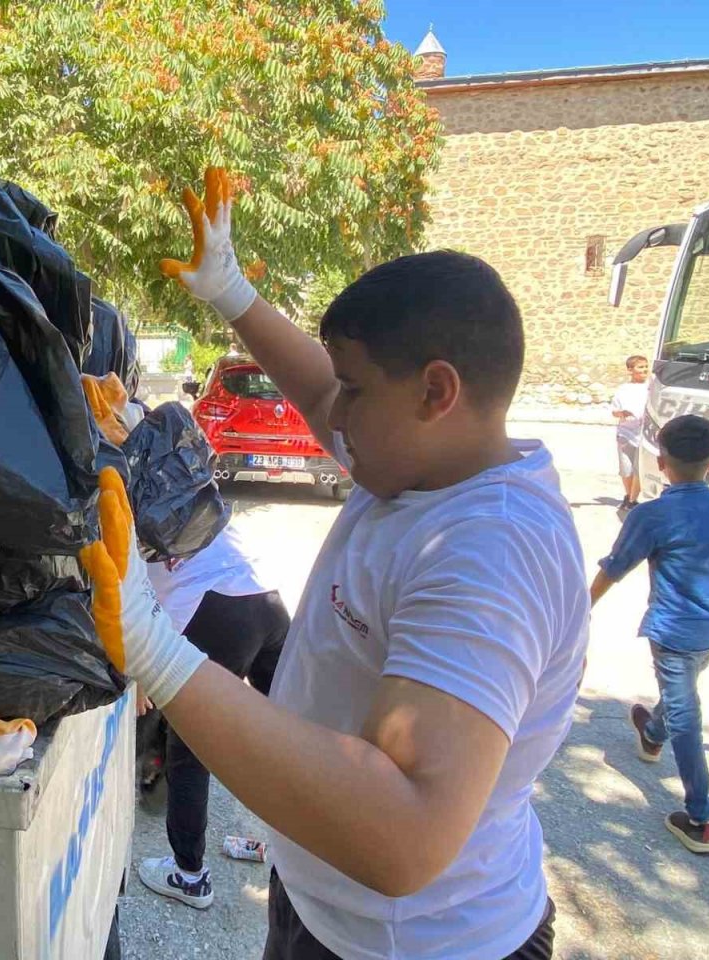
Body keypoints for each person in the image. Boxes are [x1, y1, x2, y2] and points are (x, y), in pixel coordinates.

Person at [79, 168, 588, 960]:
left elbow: (404, 837)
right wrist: (233, 293)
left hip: (417, 945)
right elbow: (319, 394)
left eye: (356, 390)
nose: (334, 417)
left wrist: (155, 648)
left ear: (436, 392)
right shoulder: (423, 462)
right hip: (327, 907)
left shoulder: (489, 550)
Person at [590, 414, 709, 856]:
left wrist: (580, 608)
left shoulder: (652, 515)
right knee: (681, 694)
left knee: (686, 713)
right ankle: (653, 732)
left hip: (674, 632)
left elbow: (615, 567)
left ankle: (698, 819)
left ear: (660, 461)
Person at [136, 523, 290, 909]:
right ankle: (319, 857)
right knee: (292, 734)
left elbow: (130, 607)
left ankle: (189, 876)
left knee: (188, 749)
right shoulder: (185, 479)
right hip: (267, 599)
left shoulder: (123, 505)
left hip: (216, 610)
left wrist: (140, 675)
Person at [611, 355, 649, 511]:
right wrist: (622, 413)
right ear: (630, 370)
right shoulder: (623, 390)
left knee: (640, 469)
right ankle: (628, 497)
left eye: (646, 366)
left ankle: (633, 500)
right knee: (626, 469)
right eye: (640, 367)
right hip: (625, 433)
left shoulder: (652, 388)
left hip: (646, 434)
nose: (645, 370)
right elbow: (614, 412)